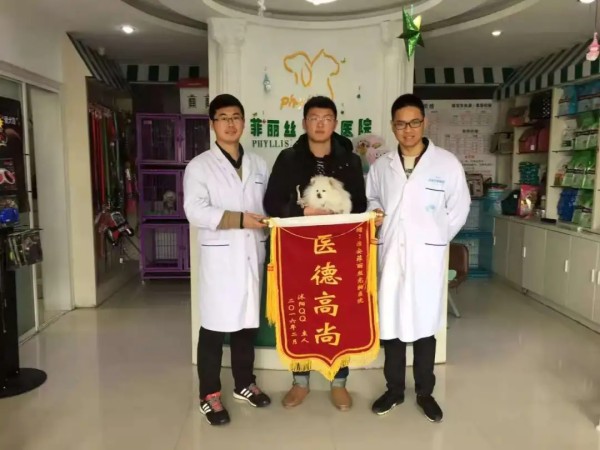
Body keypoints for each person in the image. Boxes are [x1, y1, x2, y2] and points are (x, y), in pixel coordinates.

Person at [366, 93, 470, 423]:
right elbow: (371, 199)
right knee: (392, 325)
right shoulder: (381, 166)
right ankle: (394, 389)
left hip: (428, 257)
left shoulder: (447, 164)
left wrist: (437, 237)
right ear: (392, 126)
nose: (408, 130)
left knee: (425, 326)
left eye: (414, 123)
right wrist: (375, 213)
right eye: (401, 124)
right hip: (391, 256)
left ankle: (425, 392)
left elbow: (460, 207)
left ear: (425, 122)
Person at [263, 95, 367, 411]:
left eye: (327, 118)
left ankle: (339, 382)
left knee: (339, 311)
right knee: (301, 311)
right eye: (314, 118)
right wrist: (302, 212)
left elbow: (360, 204)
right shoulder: (288, 159)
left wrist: (340, 213)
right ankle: (300, 382)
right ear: (304, 122)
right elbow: (271, 202)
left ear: (335, 123)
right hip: (299, 250)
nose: (320, 124)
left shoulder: (350, 161)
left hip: (339, 250)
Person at [183, 94, 271, 426]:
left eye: (236, 117)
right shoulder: (199, 166)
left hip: (251, 253)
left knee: (247, 325)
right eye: (223, 118)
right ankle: (209, 394)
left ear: (244, 122)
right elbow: (194, 210)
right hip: (221, 259)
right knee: (214, 328)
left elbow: (269, 204)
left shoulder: (258, 164)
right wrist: (238, 219)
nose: (230, 124)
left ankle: (244, 383)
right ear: (212, 124)